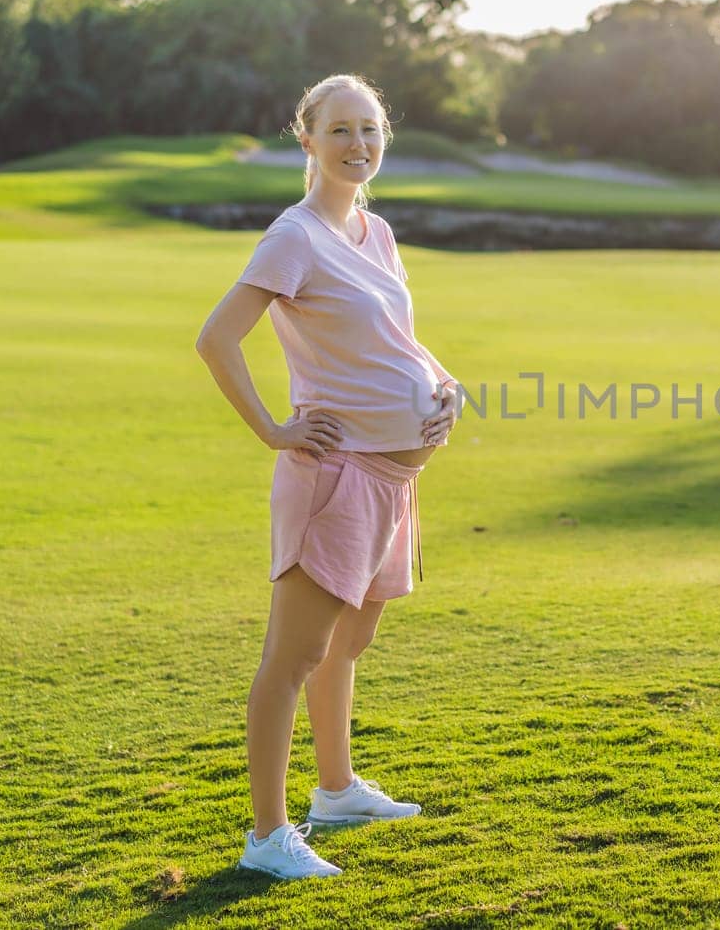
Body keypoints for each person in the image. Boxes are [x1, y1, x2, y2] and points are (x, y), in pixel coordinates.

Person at [196, 73, 460, 879]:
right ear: (306, 138)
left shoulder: (373, 233)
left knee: (353, 638)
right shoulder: (294, 237)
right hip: (334, 478)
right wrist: (275, 429)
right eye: (341, 130)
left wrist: (442, 386)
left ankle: (337, 789)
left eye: (371, 129)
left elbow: (391, 336)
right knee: (294, 656)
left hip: (392, 478)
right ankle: (268, 837)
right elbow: (217, 338)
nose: (359, 145)